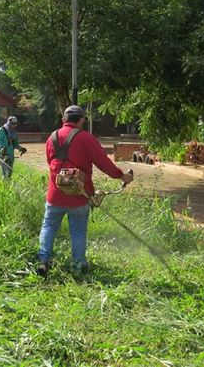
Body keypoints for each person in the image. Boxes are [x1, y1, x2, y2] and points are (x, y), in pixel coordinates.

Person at [37, 105, 133, 276]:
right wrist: (122, 176)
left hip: (55, 195)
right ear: (81, 120)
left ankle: (43, 261)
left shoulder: (51, 139)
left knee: (49, 226)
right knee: (78, 231)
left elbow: (50, 163)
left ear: (63, 120)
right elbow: (104, 163)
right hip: (79, 196)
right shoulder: (85, 138)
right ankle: (78, 265)